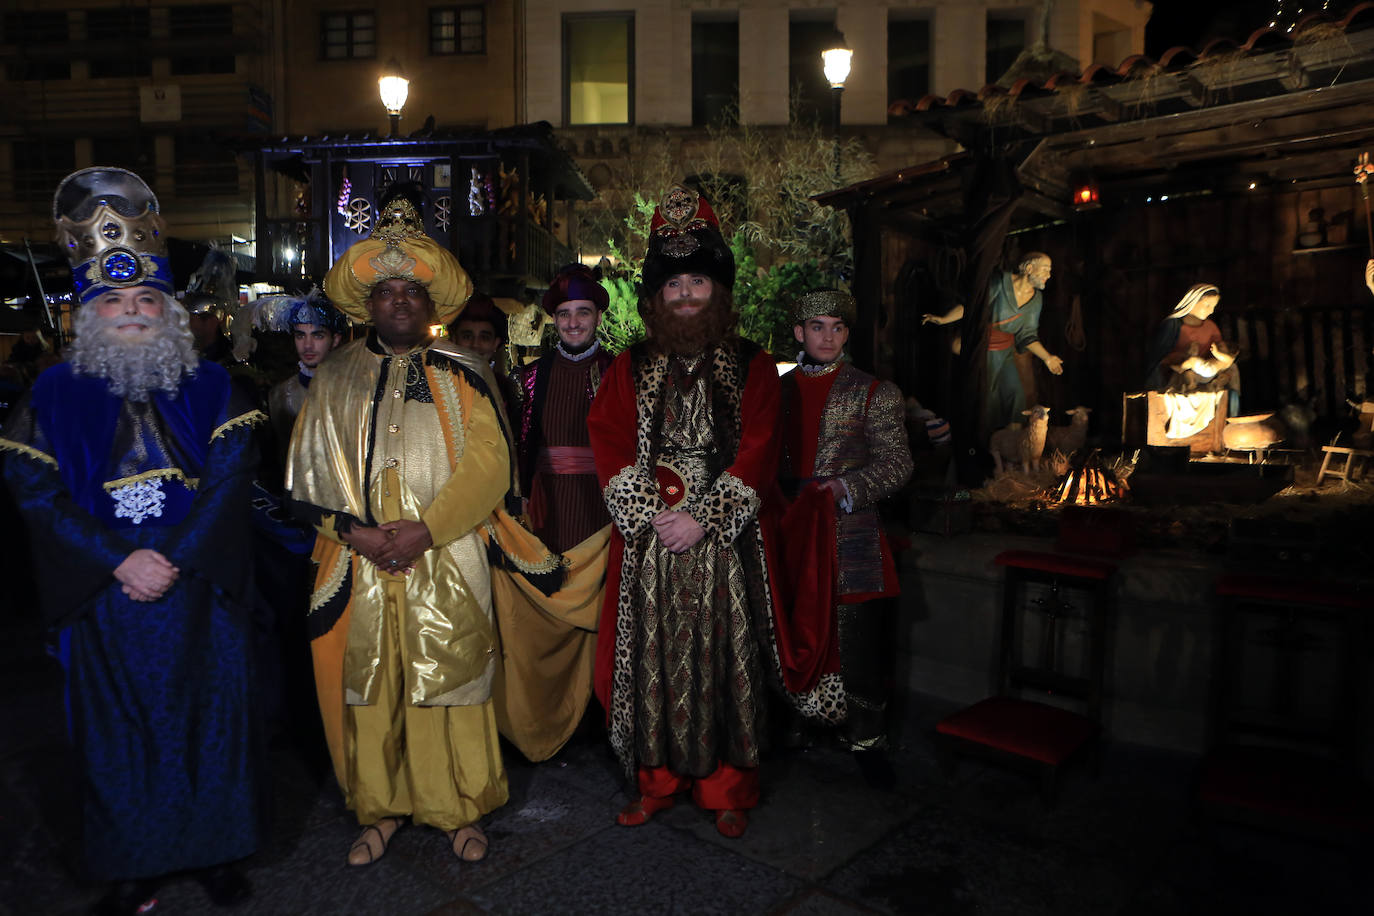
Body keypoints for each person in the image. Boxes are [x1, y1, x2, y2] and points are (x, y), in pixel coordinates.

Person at [0, 167, 263, 914]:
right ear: (90, 312)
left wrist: (174, 559)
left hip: (197, 591)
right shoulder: (51, 395)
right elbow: (36, 495)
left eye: (147, 298)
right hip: (109, 597)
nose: (133, 311)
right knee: (118, 735)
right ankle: (134, 865)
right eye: (114, 300)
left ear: (170, 310)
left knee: (210, 723)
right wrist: (120, 559)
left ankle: (216, 854)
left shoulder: (211, 386)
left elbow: (229, 483)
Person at [587, 185, 840, 840]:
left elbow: (758, 448)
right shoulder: (627, 366)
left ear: (717, 288)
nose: (687, 296)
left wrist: (702, 516)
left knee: (729, 662)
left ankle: (729, 786)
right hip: (648, 545)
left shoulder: (753, 366)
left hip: (724, 541)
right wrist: (650, 515)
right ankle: (655, 783)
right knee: (649, 660)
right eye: (674, 286)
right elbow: (609, 442)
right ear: (655, 296)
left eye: (698, 281)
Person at [286, 185, 510, 867]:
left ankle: (459, 808)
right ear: (369, 305)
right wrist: (356, 534)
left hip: (443, 554)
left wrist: (426, 530)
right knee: (373, 685)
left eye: (413, 292)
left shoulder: (464, 373)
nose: (400, 301)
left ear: (430, 303)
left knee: (451, 681)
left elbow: (489, 467)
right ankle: (378, 810)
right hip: (358, 558)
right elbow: (306, 471)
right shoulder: (334, 377)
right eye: (387, 292)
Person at [778, 288, 913, 787]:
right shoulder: (777, 390)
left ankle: (867, 737)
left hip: (850, 529)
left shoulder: (874, 391)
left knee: (856, 637)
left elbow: (897, 465)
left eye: (837, 327)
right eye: (817, 327)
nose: (828, 336)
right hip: (790, 527)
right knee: (791, 626)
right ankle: (797, 720)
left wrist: (844, 488)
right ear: (799, 332)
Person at [511, 263, 614, 552]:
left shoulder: (620, 373)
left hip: (606, 505)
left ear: (599, 318)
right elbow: (516, 448)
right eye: (564, 314)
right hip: (546, 504)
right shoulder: (529, 377)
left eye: (583, 312)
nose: (573, 323)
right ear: (553, 320)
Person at [922, 252, 1063, 430]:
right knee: (988, 397)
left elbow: (1027, 334)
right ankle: (986, 441)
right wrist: (944, 319)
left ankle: (1011, 440)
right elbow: (973, 307)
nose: (1048, 275)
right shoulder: (999, 282)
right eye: (1045, 270)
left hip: (1005, 351)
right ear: (1029, 268)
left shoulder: (1036, 299)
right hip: (984, 349)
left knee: (1015, 394)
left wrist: (1047, 358)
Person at [258, 292, 348, 464]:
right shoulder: (279, 395)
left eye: (317, 335)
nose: (308, 345)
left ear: (335, 340)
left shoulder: (352, 392)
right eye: (300, 336)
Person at [1145, 282, 1240, 419]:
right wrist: (1181, 357)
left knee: (1232, 368)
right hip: (1177, 372)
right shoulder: (1172, 326)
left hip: (1206, 371)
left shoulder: (1211, 327)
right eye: (1207, 305)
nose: (1211, 311)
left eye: (1213, 307)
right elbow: (1159, 357)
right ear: (1193, 301)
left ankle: (1231, 416)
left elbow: (1222, 352)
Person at [449, 291, 517, 410]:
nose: (475, 345)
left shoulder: (506, 390)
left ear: (495, 343)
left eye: (484, 338)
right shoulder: (439, 381)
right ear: (454, 339)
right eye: (467, 336)